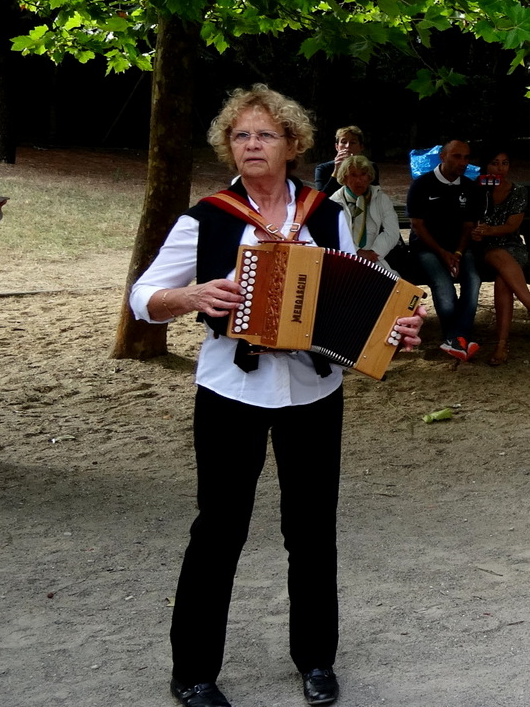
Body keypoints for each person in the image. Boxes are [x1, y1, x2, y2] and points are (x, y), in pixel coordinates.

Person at [130, 84, 424, 707]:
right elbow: (143, 297)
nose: (252, 144)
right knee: (219, 530)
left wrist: (395, 328)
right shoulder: (206, 217)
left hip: (314, 390)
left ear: (292, 144)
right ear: (228, 147)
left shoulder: (325, 214)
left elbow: (360, 291)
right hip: (230, 390)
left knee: (312, 531)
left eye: (265, 134)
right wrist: (189, 296)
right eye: (241, 135)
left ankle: (316, 659)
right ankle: (193, 672)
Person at [406, 139, 482, 361]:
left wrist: (457, 253)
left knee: (473, 279)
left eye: (466, 157)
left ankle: (455, 337)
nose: (463, 162)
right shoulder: (421, 185)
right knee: (443, 285)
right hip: (427, 247)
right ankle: (458, 337)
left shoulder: (470, 187)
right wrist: (442, 253)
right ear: (442, 157)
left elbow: (468, 226)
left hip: (459, 248)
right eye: (457, 156)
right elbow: (417, 225)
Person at [471, 148, 530, 365]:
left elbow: (512, 226)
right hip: (483, 249)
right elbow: (467, 221)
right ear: (486, 166)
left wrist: (489, 231)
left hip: (512, 247)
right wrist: (477, 232)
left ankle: (501, 345)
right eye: (495, 163)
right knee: (496, 254)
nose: (500, 168)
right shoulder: (477, 189)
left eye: (505, 163)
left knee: (503, 280)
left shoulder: (518, 191)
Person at [329, 154, 400, 272]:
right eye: (353, 175)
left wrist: (374, 253)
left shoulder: (381, 199)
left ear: (369, 177)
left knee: (393, 282)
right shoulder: (333, 202)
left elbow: (392, 232)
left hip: (375, 257)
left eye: (363, 174)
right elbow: (332, 236)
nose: (359, 180)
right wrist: (357, 252)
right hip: (344, 258)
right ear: (345, 178)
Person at [314, 125, 379, 195]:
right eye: (344, 142)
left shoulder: (370, 167)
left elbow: (375, 194)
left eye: (353, 142)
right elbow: (321, 198)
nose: (347, 146)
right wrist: (336, 171)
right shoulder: (323, 169)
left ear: (361, 147)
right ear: (337, 146)